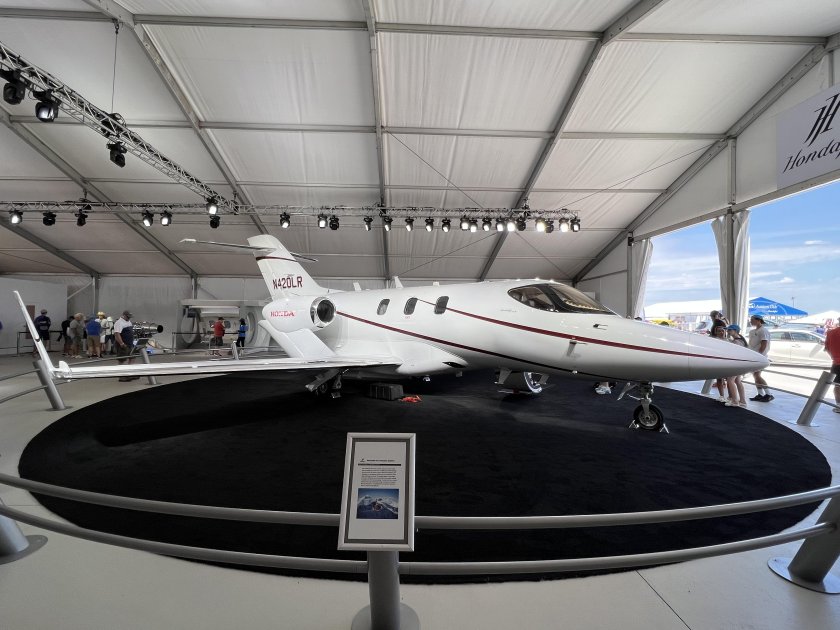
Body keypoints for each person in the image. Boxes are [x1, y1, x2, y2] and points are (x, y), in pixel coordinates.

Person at [748, 314, 773, 402]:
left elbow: (764, 344)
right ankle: (760, 394)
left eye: (752, 320)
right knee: (756, 376)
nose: (750, 321)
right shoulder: (753, 331)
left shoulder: (763, 331)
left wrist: (759, 355)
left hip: (759, 357)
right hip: (754, 356)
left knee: (757, 375)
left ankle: (768, 394)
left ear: (758, 320)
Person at [724, 324, 749, 407]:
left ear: (735, 331)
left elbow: (734, 354)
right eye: (728, 330)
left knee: (730, 380)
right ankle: (742, 401)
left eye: (729, 330)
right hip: (741, 364)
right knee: (738, 381)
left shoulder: (736, 342)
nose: (728, 331)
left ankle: (735, 401)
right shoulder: (740, 340)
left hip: (736, 363)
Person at [114, 310, 138, 382]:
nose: (129, 318)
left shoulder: (128, 322)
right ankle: (122, 376)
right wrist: (122, 344)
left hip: (130, 344)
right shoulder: (119, 323)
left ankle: (130, 374)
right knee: (122, 360)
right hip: (123, 344)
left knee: (132, 358)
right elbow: (117, 334)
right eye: (128, 317)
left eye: (130, 317)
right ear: (124, 315)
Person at [710, 324, 729, 402]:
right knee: (719, 379)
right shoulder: (714, 341)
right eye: (719, 331)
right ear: (716, 332)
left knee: (729, 380)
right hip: (718, 362)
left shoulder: (728, 341)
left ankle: (730, 397)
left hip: (727, 363)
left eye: (722, 331)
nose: (721, 332)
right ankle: (722, 396)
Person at [825, 322, 840, 414]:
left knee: (837, 385)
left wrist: (834, 357)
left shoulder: (831, 333)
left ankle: (838, 406)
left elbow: (827, 348)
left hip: (836, 364)